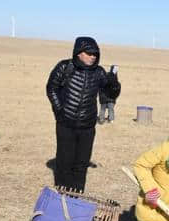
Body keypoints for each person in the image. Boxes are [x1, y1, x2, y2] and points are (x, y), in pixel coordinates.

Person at [46, 37, 120, 192]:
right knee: (64, 161)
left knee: (81, 163)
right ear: (78, 53)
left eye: (95, 53)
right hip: (65, 124)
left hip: (87, 127)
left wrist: (114, 83)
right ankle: (62, 194)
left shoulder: (99, 72)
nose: (93, 56)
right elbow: (51, 88)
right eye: (89, 53)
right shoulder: (65, 66)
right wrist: (60, 110)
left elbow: (110, 94)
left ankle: (77, 195)